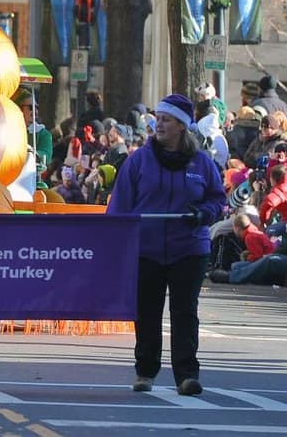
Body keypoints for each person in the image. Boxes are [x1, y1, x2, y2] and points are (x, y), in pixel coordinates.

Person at [106, 93, 225, 397]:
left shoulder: (202, 162)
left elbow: (217, 199)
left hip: (189, 247)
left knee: (185, 311)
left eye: (166, 120)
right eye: (157, 119)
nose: (158, 124)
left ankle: (187, 375)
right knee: (147, 311)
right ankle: (145, 371)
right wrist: (117, 240)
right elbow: (120, 204)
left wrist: (204, 214)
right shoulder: (138, 160)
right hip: (146, 249)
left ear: (182, 126)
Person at [222, 186, 287, 286]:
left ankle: (232, 277)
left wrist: (271, 255)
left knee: (269, 261)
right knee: (241, 265)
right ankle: (236, 272)